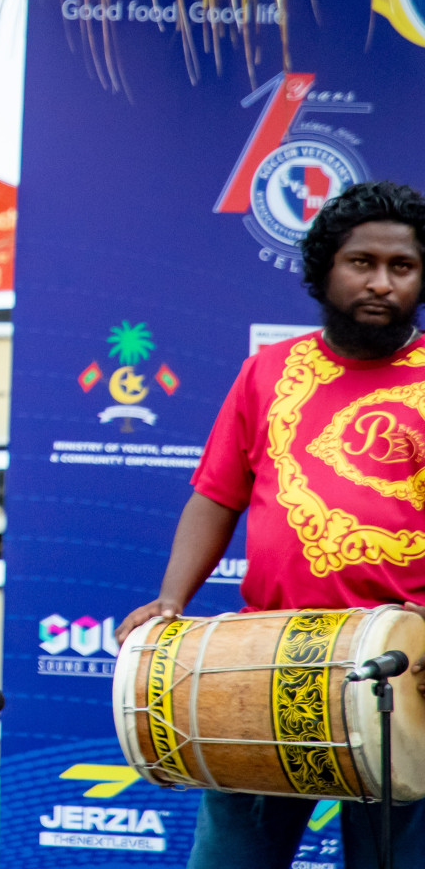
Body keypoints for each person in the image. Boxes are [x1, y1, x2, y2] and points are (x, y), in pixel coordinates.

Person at [114, 181, 425, 869]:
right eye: (361, 262)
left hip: (406, 666)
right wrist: (172, 601)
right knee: (232, 857)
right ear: (323, 271)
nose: (381, 282)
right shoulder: (270, 370)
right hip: (270, 658)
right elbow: (216, 495)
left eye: (401, 267)